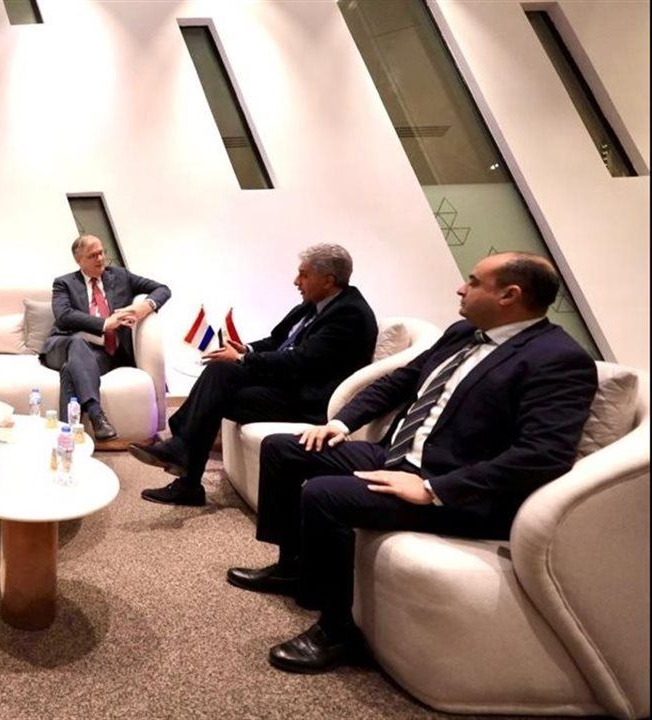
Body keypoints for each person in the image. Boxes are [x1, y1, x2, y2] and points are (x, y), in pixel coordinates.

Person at [229, 252, 597, 673]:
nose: (461, 288)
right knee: (285, 448)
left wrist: (432, 489)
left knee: (324, 494)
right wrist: (340, 423)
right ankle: (292, 568)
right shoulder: (463, 333)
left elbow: (543, 454)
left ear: (509, 295)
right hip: (399, 454)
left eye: (474, 282)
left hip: (455, 485)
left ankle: (336, 631)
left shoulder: (559, 359)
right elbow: (400, 380)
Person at [132, 244, 378, 506]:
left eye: (304, 274)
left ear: (328, 280)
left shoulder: (349, 313)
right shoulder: (314, 304)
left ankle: (184, 466)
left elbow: (301, 360)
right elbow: (276, 340)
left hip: (309, 401)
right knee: (219, 376)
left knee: (217, 387)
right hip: (287, 385)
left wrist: (242, 359)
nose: (296, 281)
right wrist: (246, 349)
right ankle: (183, 465)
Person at [41, 234, 171, 440]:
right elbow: (64, 315)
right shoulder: (64, 283)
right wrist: (105, 324)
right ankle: (96, 415)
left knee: (70, 369)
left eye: (101, 253)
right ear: (79, 260)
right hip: (63, 345)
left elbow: (162, 289)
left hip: (102, 352)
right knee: (77, 342)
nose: (100, 259)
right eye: (93, 256)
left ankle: (68, 436)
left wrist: (143, 308)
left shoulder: (120, 276)